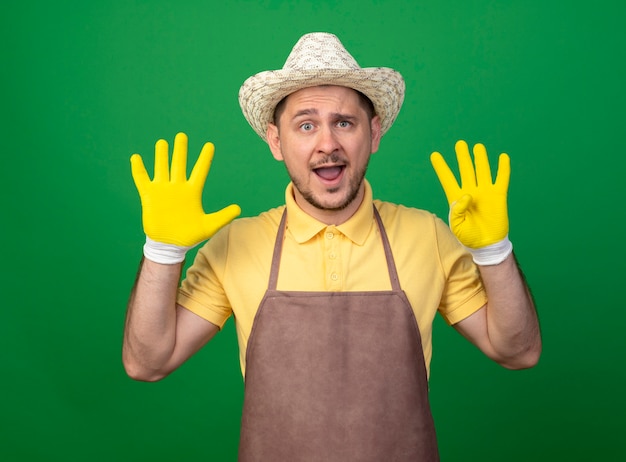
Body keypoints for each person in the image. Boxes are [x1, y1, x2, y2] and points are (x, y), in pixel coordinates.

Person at [123, 32, 541, 461]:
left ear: (373, 133)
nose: (327, 144)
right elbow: (148, 362)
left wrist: (494, 251)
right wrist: (163, 251)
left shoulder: (427, 235)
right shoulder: (237, 244)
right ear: (275, 141)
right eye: (306, 125)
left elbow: (517, 351)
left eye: (344, 122)